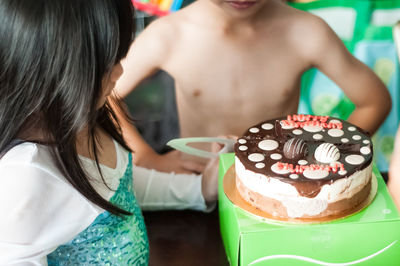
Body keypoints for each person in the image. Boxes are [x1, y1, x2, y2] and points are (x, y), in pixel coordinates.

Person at [0, 0, 220, 264]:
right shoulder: (26, 179)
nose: (120, 72)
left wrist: (198, 189)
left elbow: (120, 185)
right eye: (104, 63)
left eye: (118, 56)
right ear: (45, 67)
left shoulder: (84, 118)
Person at [114, 0, 391, 174]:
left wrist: (326, 155)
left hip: (277, 186)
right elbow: (103, 98)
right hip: (193, 188)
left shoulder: (305, 30)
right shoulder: (170, 34)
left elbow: (375, 100)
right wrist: (147, 158)